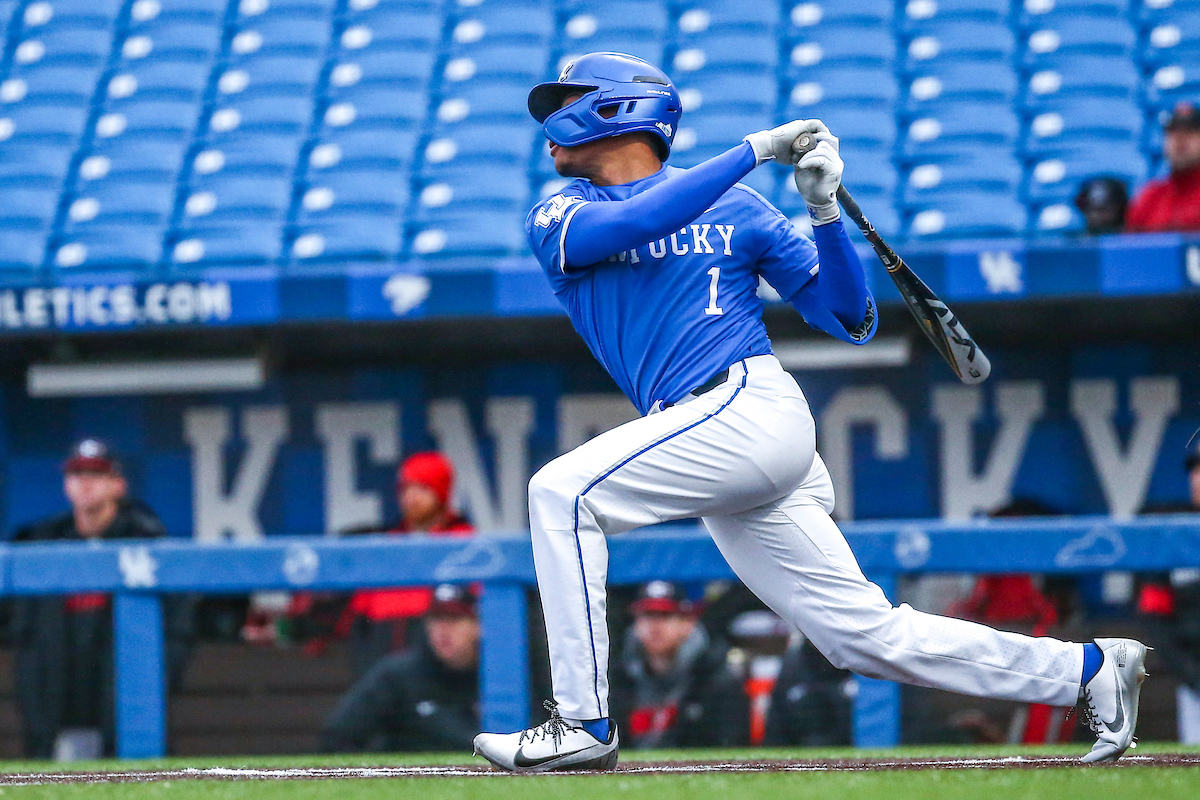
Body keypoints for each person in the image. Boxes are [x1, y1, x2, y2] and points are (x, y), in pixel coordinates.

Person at [471, 52, 1147, 772]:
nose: (547, 122)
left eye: (566, 101)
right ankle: (1087, 670)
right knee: (863, 638)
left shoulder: (740, 209)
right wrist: (755, 151)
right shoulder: (562, 213)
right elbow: (636, 222)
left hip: (747, 405)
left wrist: (825, 212)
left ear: (616, 110)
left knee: (560, 492)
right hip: (714, 438)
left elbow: (847, 314)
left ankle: (581, 722)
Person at [9, 439, 191, 759]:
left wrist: (159, 682)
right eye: (77, 474)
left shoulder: (147, 540)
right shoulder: (42, 541)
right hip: (58, 688)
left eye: (96, 474)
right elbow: (21, 629)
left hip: (117, 686)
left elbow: (178, 628)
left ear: (118, 484)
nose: (85, 483)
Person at [336, 452, 474, 675]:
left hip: (438, 660)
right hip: (382, 656)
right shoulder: (388, 544)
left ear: (441, 491)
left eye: (422, 489)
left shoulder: (464, 542)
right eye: (406, 489)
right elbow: (359, 619)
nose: (411, 498)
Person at [318, 584, 481, 753]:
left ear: (478, 625)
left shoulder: (494, 676)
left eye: (455, 620)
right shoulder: (399, 675)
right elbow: (338, 734)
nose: (443, 630)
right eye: (436, 619)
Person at [608, 581, 748, 749]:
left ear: (687, 623)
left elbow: (731, 746)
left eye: (665, 616)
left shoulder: (713, 677)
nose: (655, 626)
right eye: (647, 616)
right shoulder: (620, 678)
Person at [1136, 441, 1200, 743]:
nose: (1198, 478)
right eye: (1196, 470)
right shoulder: (1171, 537)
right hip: (1195, 679)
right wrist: (1193, 676)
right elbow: (1155, 618)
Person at [1125, 101, 1200, 233]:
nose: (1180, 138)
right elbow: (1130, 250)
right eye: (1172, 131)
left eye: (1190, 131)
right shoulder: (1150, 198)